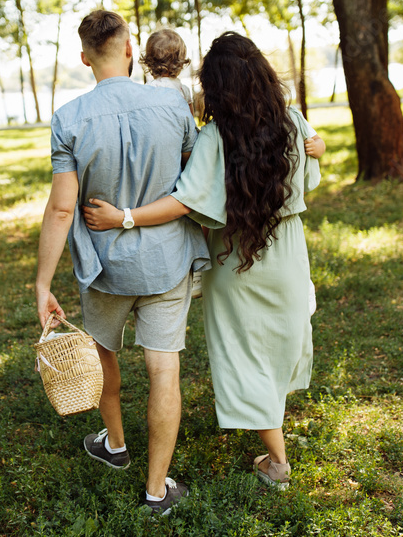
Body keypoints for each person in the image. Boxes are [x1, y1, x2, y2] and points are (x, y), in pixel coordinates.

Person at [82, 31, 324, 490]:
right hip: (289, 254)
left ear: (217, 88)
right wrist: (320, 146)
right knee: (277, 342)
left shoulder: (216, 136)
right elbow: (308, 179)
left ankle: (277, 462)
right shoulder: (294, 123)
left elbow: (183, 202)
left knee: (243, 352)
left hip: (237, 259)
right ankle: (274, 439)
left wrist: (124, 217)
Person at [34, 10, 209, 514]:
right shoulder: (172, 107)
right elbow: (194, 180)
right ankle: (157, 491)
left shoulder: (69, 118)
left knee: (105, 355)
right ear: (131, 50)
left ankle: (115, 445)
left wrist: (42, 282)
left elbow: (63, 207)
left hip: (103, 268)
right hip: (165, 262)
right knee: (164, 370)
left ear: (85, 58)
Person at [139, 29, 195, 115]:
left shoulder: (147, 90)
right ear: (180, 63)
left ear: (149, 62)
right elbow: (191, 123)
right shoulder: (184, 91)